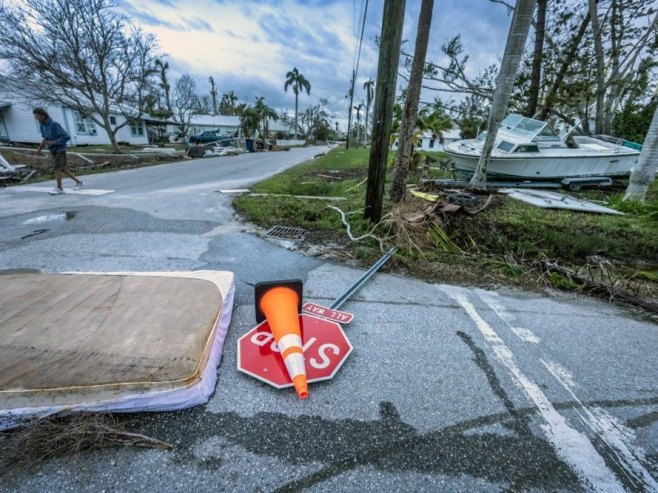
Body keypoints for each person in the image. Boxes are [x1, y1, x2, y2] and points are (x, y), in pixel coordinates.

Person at [32, 108, 83, 195]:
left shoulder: (54, 124)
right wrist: (38, 150)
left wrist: (54, 142)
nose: (36, 118)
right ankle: (79, 182)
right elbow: (45, 139)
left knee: (57, 168)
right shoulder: (43, 126)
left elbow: (67, 137)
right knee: (62, 169)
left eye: (37, 116)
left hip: (60, 149)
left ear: (42, 115)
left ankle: (59, 189)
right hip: (53, 150)